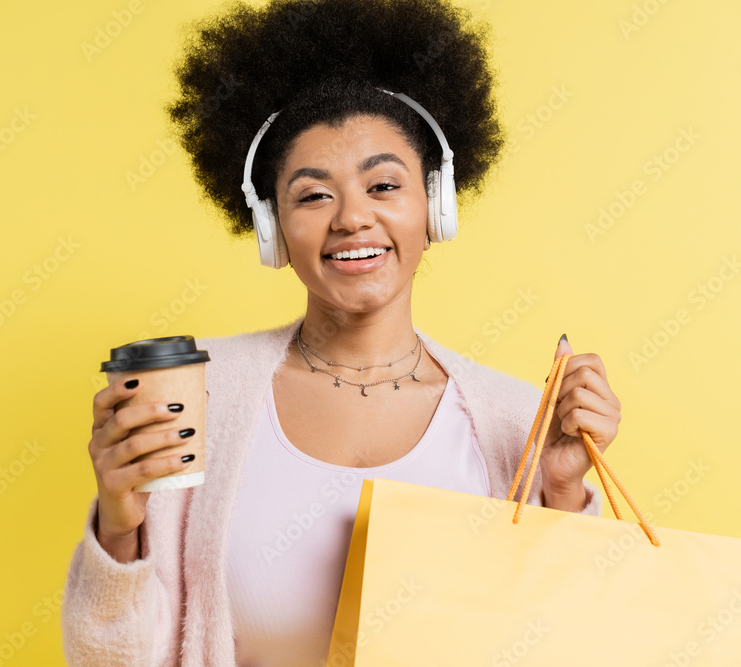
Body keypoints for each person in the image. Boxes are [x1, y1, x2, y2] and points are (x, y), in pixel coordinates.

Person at [62, 0, 622, 664]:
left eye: (384, 184)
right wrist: (119, 521)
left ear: (434, 207)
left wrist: (560, 491)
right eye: (313, 194)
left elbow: (560, 640)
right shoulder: (197, 394)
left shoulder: (516, 421)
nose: (353, 217)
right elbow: (112, 658)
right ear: (272, 228)